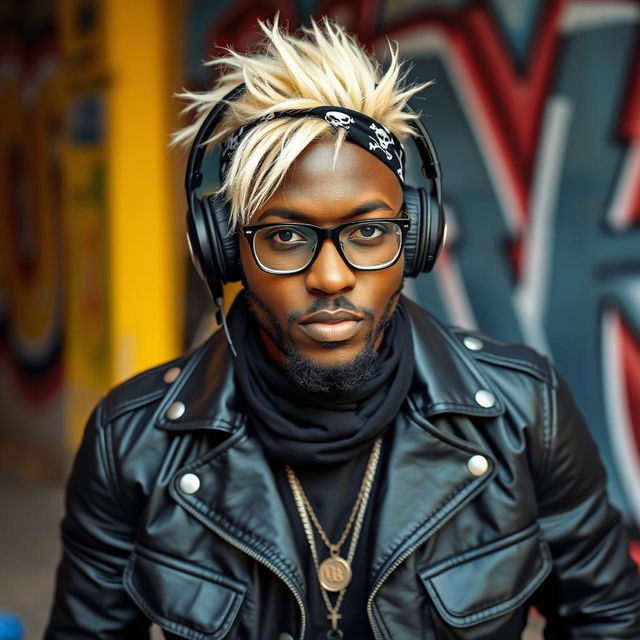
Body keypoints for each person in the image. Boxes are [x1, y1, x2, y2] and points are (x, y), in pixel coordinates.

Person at [46, 18, 640, 640]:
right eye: (284, 236)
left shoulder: (524, 413)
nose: (331, 277)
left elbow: (607, 620)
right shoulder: (134, 442)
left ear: (415, 240)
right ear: (226, 253)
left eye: (366, 232)